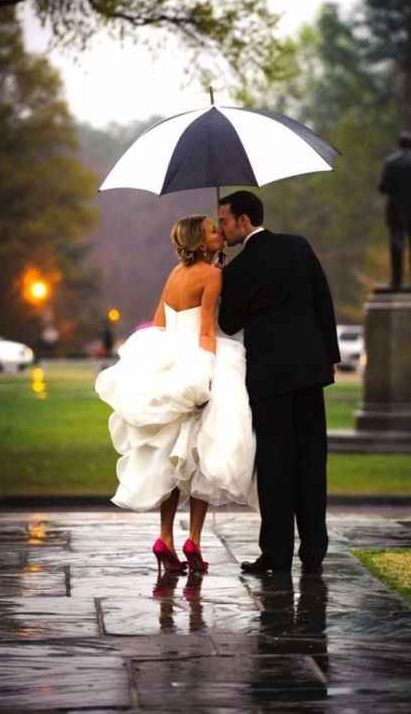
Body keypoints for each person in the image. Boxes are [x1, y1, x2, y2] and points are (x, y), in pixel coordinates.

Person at [95, 215, 256, 575]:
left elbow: (160, 323)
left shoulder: (174, 274)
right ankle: (193, 540)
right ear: (200, 241)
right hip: (198, 362)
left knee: (173, 456)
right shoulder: (213, 275)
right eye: (214, 231)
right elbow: (205, 331)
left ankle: (165, 537)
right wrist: (205, 375)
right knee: (202, 454)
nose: (221, 234)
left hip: (169, 361)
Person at [218, 191, 340, 575]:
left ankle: (276, 553)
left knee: (274, 466)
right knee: (311, 462)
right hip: (308, 374)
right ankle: (314, 549)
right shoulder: (298, 247)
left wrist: (225, 280)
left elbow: (229, 323)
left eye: (224, 221)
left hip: (269, 378)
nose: (221, 229)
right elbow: (324, 300)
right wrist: (329, 358)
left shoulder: (236, 269)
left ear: (243, 220)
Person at [378, 132, 411, 290]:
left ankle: (396, 280)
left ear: (399, 145)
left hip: (396, 211)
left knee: (397, 244)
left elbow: (383, 187)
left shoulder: (391, 163)